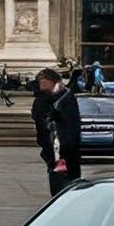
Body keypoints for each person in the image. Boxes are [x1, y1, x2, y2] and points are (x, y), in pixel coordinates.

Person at [31, 67, 83, 195]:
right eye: (40, 80)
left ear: (52, 81)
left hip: (66, 146)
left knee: (68, 180)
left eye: (44, 80)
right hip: (51, 147)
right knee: (56, 181)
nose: (41, 82)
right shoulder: (41, 99)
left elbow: (71, 121)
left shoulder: (65, 96)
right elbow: (39, 120)